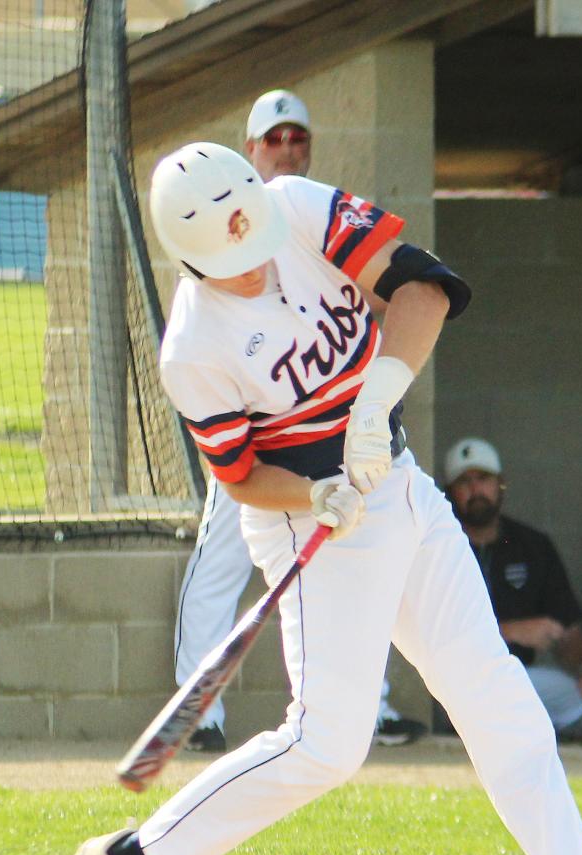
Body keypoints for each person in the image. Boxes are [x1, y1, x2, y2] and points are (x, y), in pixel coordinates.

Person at [59, 141, 582, 855]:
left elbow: (422, 289)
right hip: (317, 527)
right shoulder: (193, 348)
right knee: (328, 745)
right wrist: (313, 497)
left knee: (496, 695)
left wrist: (377, 397)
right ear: (191, 257)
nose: (256, 258)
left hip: (402, 485)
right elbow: (240, 476)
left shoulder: (298, 208)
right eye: (232, 258)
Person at [176, 88, 423, 752]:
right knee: (221, 564)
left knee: (368, 553)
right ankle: (200, 711)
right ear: (250, 151)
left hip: (337, 429)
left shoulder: (309, 209)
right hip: (258, 444)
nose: (287, 149)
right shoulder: (216, 254)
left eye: (297, 139)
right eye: (274, 140)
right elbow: (242, 474)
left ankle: (370, 705)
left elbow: (390, 292)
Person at [439, 437, 582, 748]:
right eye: (464, 482)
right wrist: (509, 632)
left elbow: (566, 627)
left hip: (523, 679)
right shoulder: (439, 548)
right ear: (450, 492)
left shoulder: (531, 544)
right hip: (460, 685)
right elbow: (436, 638)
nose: (475, 490)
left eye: (483, 479)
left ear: (501, 484)